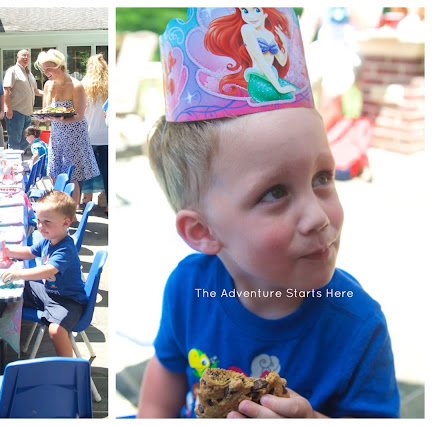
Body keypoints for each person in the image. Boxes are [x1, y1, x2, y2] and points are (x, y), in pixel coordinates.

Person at [138, 8, 398, 418]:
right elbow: (162, 387)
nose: (318, 217)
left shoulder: (358, 325)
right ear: (203, 231)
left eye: (322, 177)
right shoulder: (188, 290)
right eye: (275, 192)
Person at [0, 190, 86, 357]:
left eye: (47, 222)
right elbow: (30, 252)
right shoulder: (49, 239)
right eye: (38, 220)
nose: (40, 226)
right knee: (13, 288)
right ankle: (0, 327)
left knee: (56, 330)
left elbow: (47, 271)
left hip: (67, 300)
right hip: (48, 293)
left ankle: (68, 366)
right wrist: (8, 252)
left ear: (65, 223)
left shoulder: (65, 249)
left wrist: (19, 273)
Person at [34, 49, 100, 211]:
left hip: (74, 134)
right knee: (54, 172)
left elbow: (79, 115)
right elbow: (46, 110)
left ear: (60, 66)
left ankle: (71, 212)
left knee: (72, 175)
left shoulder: (76, 86)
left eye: (49, 68)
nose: (46, 72)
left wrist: (61, 118)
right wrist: (43, 117)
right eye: (44, 69)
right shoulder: (48, 85)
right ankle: (59, 209)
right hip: (57, 133)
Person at [80, 54, 109, 213]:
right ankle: (109, 205)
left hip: (89, 134)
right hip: (107, 135)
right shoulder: (110, 85)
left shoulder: (84, 85)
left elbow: (81, 112)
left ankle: (85, 200)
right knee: (107, 172)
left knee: (85, 171)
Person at [3, 49, 43, 151]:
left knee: (25, 140)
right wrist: (8, 108)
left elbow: (35, 90)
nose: (26, 58)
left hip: (27, 113)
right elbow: (6, 89)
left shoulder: (29, 74)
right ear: (17, 57)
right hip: (16, 112)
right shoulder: (12, 71)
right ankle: (14, 160)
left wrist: (48, 93)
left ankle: (21, 159)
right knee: (15, 141)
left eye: (28, 56)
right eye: (23, 55)